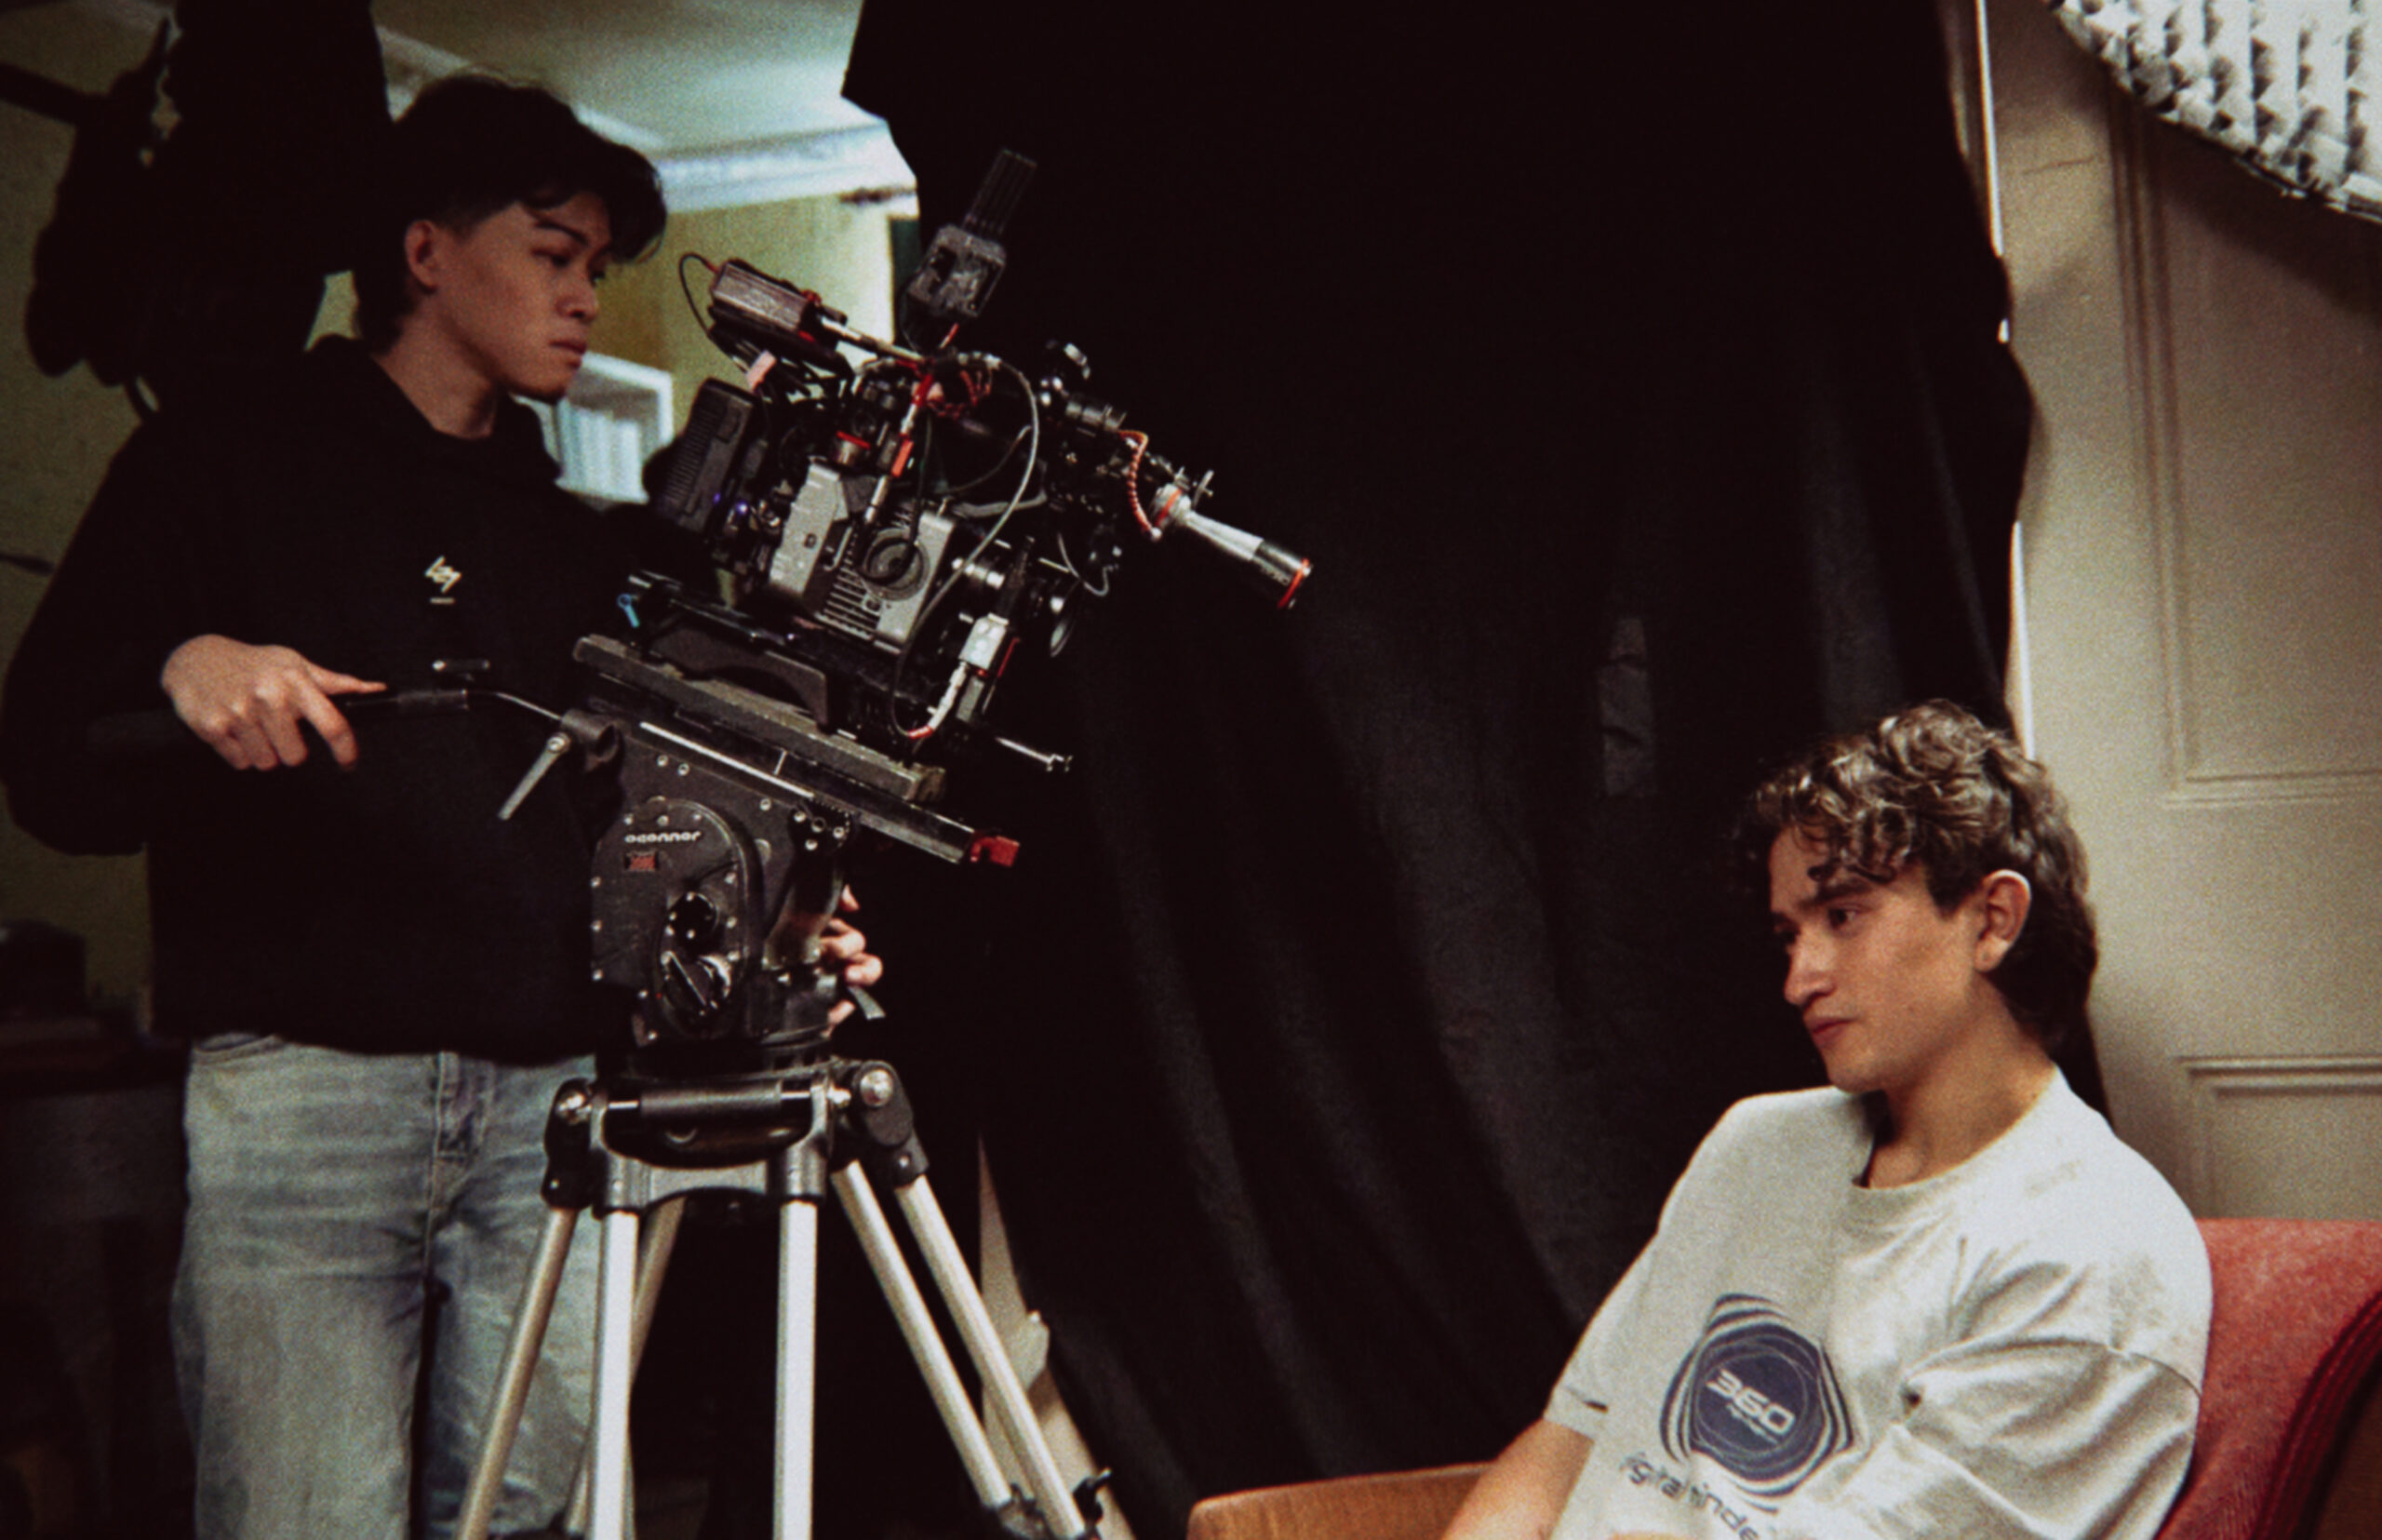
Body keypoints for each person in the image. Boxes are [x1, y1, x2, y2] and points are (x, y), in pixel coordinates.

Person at [0, 76, 880, 1538]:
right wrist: (180, 661)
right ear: (425, 252)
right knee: (304, 1517)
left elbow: (639, 816)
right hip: (307, 1100)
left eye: (597, 263)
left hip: (555, 1108)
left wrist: (781, 921)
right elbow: (42, 757)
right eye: (553, 252)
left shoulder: (580, 545)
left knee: (539, 1516)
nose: (585, 294)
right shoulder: (220, 458)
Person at [1443, 702, 2209, 1540]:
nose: (1799, 978)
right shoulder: (1756, 1145)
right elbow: (1574, 1436)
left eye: (1843, 914)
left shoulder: (2094, 1250)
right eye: (1788, 934)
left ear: (1993, 919)